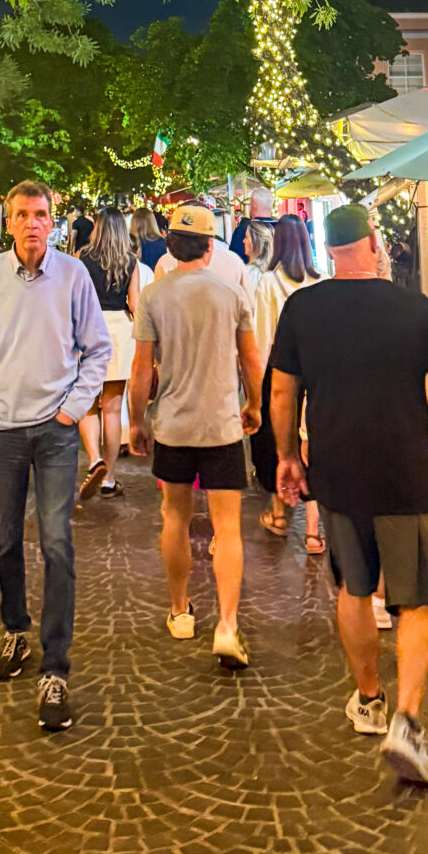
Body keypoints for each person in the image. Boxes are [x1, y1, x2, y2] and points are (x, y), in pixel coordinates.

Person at [271, 203, 428, 788]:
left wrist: (288, 455)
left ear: (328, 249)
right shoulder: (413, 308)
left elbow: (282, 394)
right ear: (373, 243)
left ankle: (368, 700)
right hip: (403, 473)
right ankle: (406, 721)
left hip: (337, 474)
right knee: (418, 600)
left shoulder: (302, 309)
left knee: (354, 590)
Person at [0, 180, 111, 733]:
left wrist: (73, 409)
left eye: (40, 214)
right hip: (3, 429)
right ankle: (15, 627)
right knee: (5, 537)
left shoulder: (73, 276)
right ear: (8, 222)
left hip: (55, 431)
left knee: (57, 540)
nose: (32, 223)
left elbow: (98, 348)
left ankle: (55, 667)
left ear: (52, 222)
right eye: (22, 215)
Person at [127, 208, 263, 668]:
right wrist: (255, 405)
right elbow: (250, 360)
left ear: (170, 245)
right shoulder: (231, 294)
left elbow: (141, 368)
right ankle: (227, 623)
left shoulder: (153, 296)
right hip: (221, 425)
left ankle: (180, 610)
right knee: (228, 528)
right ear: (210, 245)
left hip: (174, 426)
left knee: (175, 518)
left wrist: (136, 421)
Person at [252, 217, 325, 557]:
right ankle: (312, 531)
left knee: (278, 441)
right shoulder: (320, 279)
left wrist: (254, 387)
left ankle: (279, 513)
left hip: (279, 372)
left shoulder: (269, 282)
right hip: (316, 373)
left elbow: (262, 338)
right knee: (311, 442)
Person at [77, 210, 136, 501]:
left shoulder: (82, 257)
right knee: (113, 408)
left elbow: (72, 296)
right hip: (119, 332)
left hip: (89, 327)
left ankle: (94, 460)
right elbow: (135, 303)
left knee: (88, 405)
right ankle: (109, 479)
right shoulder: (130, 261)